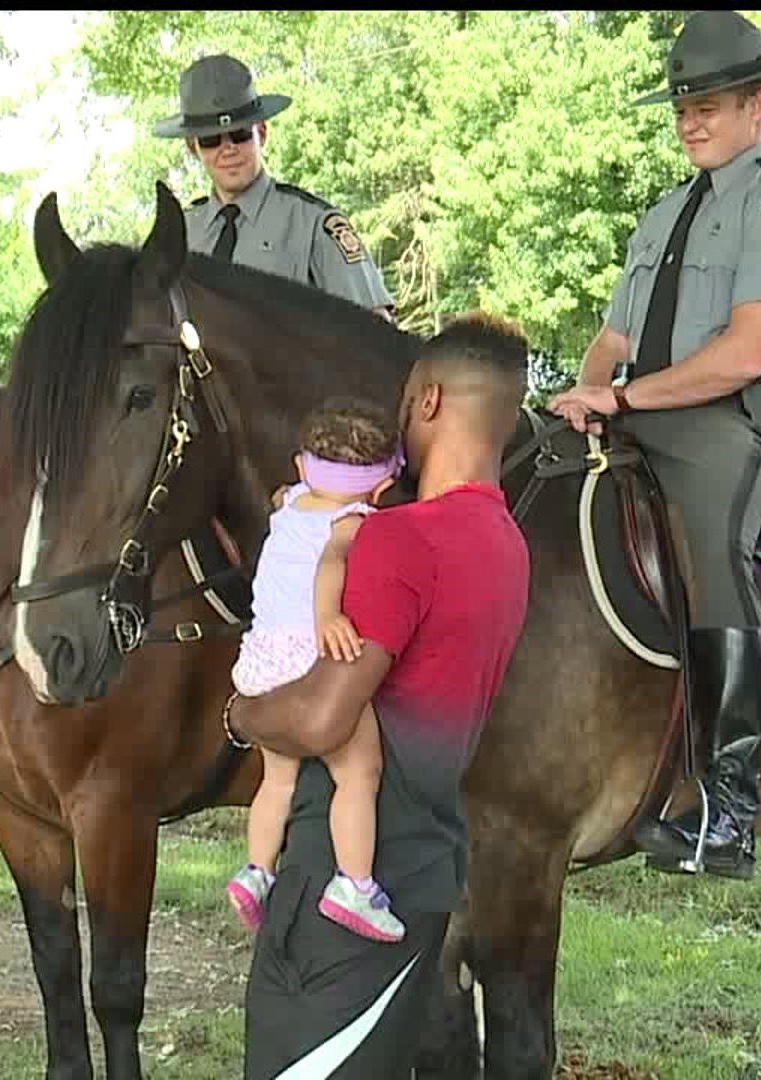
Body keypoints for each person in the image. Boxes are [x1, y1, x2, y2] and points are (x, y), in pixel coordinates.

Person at [546, 10, 761, 883]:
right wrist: (581, 397)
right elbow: (613, 340)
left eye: (710, 104)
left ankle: (730, 801)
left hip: (748, 427)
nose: (691, 121)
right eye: (682, 106)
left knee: (713, 544)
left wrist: (626, 396)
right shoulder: (662, 216)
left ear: (760, 105)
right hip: (646, 415)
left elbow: (749, 352)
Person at [226, 313, 532, 1078]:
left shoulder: (397, 539)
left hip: (340, 884)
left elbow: (322, 715)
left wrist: (240, 713)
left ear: (427, 401)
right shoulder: (506, 542)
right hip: (425, 871)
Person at [225, 398, 407, 943]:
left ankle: (256, 871)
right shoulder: (351, 518)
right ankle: (354, 885)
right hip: (309, 661)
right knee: (357, 774)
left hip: (261, 660)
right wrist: (329, 615)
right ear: (379, 488)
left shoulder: (291, 501)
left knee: (277, 781)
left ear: (303, 468)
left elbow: (284, 491)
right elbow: (333, 560)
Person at [155, 53, 397, 321]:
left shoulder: (313, 225)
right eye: (211, 139)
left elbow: (378, 333)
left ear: (262, 132)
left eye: (240, 134)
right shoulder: (180, 235)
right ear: (193, 147)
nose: (228, 150)